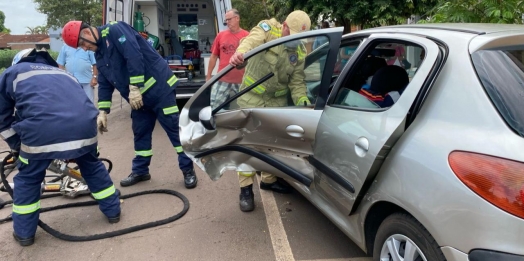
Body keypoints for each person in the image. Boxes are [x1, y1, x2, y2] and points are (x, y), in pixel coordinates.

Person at [0, 48, 121, 247]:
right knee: (92, 166)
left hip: (42, 133)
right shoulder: (65, 74)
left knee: (29, 178)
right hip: (85, 128)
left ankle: (24, 234)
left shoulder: (12, 73)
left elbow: (3, 119)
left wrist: (17, 145)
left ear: (18, 61)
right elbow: (75, 105)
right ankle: (113, 212)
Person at [61, 20, 198, 189]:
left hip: (159, 89)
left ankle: (188, 170)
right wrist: (103, 111)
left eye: (83, 44)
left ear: (87, 33)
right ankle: (141, 171)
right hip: (139, 99)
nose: (84, 48)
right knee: (140, 132)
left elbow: (133, 55)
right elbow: (104, 81)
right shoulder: (99, 53)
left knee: (173, 130)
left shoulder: (115, 30)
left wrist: (134, 87)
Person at [229, 10, 311, 212]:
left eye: (298, 37)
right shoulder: (267, 29)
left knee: (271, 146)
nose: (294, 40)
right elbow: (250, 41)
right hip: (251, 100)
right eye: (290, 34)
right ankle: (246, 189)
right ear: (283, 25)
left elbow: (297, 81)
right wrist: (240, 53)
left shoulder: (299, 51)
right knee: (248, 147)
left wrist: (303, 100)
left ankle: (268, 179)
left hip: (276, 104)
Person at [206, 8, 249, 108]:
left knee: (246, 108)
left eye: (229, 19)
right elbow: (213, 57)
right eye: (226, 20)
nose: (227, 22)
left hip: (242, 80)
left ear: (237, 18)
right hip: (223, 79)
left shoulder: (247, 36)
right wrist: (208, 76)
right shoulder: (221, 35)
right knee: (214, 107)